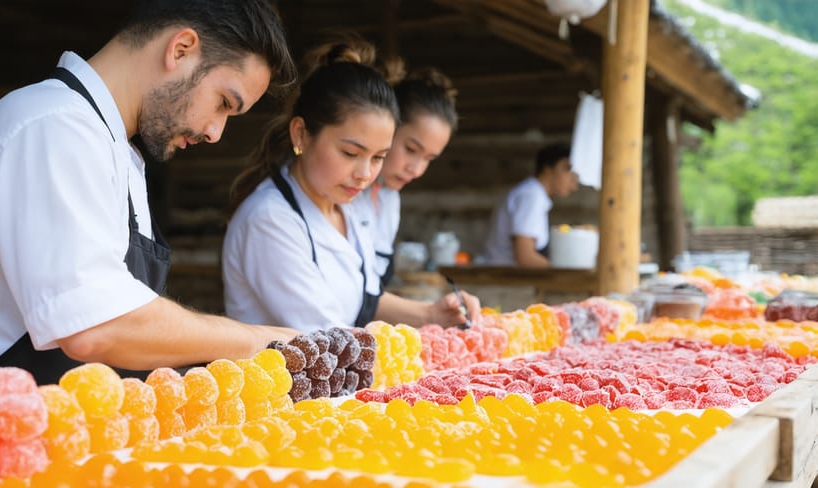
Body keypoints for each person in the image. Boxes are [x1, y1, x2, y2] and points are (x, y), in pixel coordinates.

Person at [0, 0, 299, 386]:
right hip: (17, 430)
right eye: (224, 103)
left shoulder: (114, 150)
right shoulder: (53, 127)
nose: (215, 132)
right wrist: (260, 339)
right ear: (181, 49)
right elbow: (94, 326)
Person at [223, 37, 481, 332]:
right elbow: (329, 340)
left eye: (378, 157)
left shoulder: (347, 209)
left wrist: (431, 315)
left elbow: (361, 301)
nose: (365, 174)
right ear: (301, 135)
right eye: (350, 153)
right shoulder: (269, 220)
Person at [350, 68, 458, 286]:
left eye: (429, 158)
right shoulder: (344, 192)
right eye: (410, 149)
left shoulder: (388, 199)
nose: (416, 170)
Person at [482, 143, 579, 267]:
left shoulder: (533, 194)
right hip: (507, 280)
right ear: (547, 168)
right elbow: (525, 257)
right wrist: (565, 275)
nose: (573, 179)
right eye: (567, 169)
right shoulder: (532, 197)